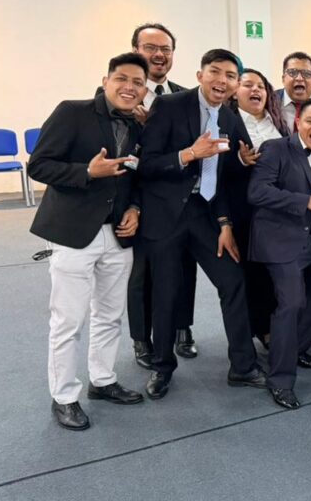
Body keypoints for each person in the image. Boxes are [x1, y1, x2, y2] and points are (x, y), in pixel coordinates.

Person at [29, 52, 149, 430]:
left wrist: (135, 208)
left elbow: (137, 176)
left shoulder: (139, 125)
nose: (129, 87)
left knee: (110, 314)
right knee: (68, 320)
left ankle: (102, 379)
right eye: (122, 79)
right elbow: (39, 165)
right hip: (74, 232)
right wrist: (87, 171)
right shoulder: (72, 112)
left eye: (138, 82)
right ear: (105, 80)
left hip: (119, 234)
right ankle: (64, 396)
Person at [138, 48, 265, 399]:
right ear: (200, 75)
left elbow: (224, 175)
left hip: (205, 213)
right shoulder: (169, 106)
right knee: (167, 293)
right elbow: (146, 164)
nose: (222, 81)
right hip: (166, 215)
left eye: (230, 76)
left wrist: (225, 222)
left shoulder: (231, 119)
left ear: (236, 85)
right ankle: (162, 367)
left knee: (233, 280)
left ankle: (243, 366)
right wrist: (189, 154)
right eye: (215, 72)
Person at [247, 99, 311, 409]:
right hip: (279, 238)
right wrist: (305, 202)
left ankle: (292, 349)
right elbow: (257, 192)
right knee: (292, 302)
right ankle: (280, 379)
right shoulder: (275, 148)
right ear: (298, 122)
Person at [123, 22, 200, 368]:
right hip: (137, 199)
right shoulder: (121, 95)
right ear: (135, 51)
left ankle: (183, 327)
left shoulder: (185, 96)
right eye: (150, 48)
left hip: (179, 199)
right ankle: (142, 339)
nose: (158, 55)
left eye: (165, 49)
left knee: (184, 267)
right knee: (142, 273)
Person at [231, 69, 288, 349]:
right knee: (252, 275)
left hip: (279, 211)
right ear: (235, 92)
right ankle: (261, 332)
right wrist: (240, 161)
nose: (256, 90)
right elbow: (216, 170)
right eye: (248, 85)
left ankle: (277, 329)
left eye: (261, 86)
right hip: (245, 211)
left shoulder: (276, 121)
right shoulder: (228, 123)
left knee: (276, 273)